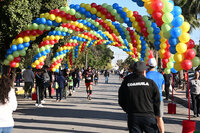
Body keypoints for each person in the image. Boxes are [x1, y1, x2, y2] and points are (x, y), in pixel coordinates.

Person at [118, 61, 160, 133]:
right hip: (149, 116)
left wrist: (127, 110)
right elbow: (157, 100)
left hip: (133, 116)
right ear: (144, 71)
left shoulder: (127, 83)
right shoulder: (151, 83)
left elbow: (121, 99)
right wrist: (156, 114)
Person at [146, 58, 165, 133]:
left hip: (148, 100)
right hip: (159, 99)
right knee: (159, 118)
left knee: (149, 118)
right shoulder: (160, 76)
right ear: (156, 65)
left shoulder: (146, 75)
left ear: (148, 65)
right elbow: (163, 89)